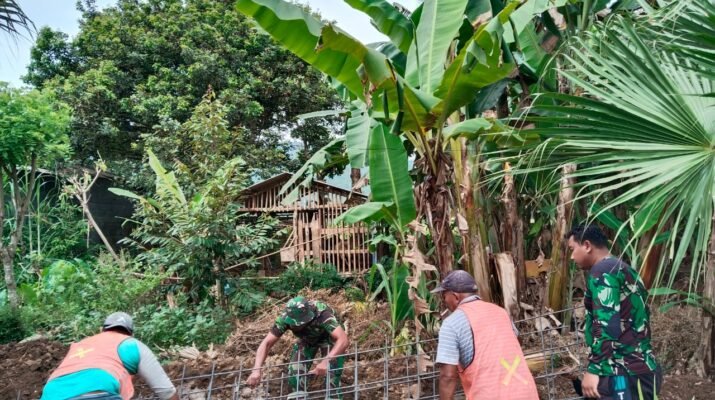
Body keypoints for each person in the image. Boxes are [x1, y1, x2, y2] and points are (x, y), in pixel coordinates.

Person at [566, 223, 662, 399]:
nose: (572, 257)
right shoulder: (624, 269)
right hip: (642, 368)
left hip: (621, 373)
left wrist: (594, 369)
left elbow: (607, 324)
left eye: (572, 249)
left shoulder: (602, 272)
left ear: (587, 246)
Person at [433, 270, 538, 399]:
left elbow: (447, 376)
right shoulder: (500, 312)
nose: (444, 300)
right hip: (527, 393)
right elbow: (516, 342)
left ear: (455, 297)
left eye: (444, 296)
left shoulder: (451, 323)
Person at [41, 312, 177, 400]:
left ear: (102, 330)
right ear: (131, 334)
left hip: (51, 393)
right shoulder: (132, 344)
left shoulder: (81, 344)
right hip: (97, 391)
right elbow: (166, 391)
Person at [246, 296, 349, 399]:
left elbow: (343, 340)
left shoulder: (322, 314)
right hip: (307, 338)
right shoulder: (285, 318)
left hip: (330, 337)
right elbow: (267, 343)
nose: (295, 327)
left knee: (332, 375)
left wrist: (326, 361)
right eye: (293, 324)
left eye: (299, 324)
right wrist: (256, 370)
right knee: (295, 372)